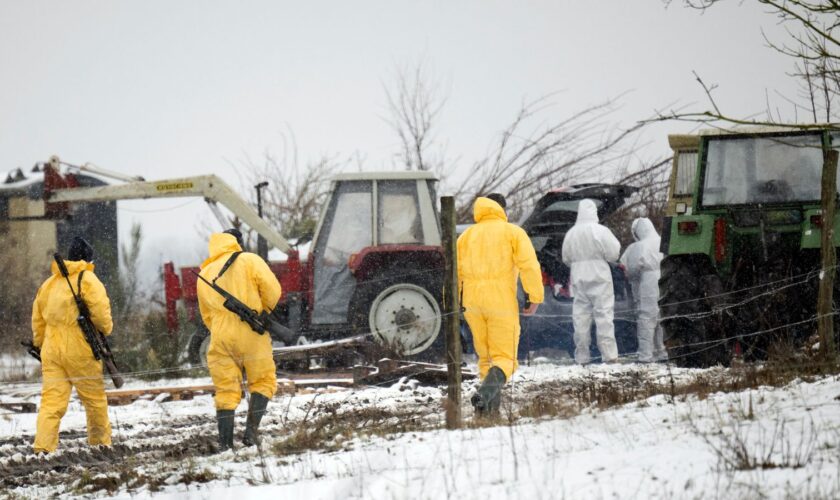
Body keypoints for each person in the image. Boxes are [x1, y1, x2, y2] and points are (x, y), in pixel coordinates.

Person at [457, 193, 543, 416]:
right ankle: (484, 395)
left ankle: (487, 414)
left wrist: (454, 302)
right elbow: (529, 266)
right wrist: (535, 297)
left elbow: (454, 273)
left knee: (486, 358)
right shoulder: (513, 232)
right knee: (506, 359)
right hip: (500, 301)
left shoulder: (465, 236)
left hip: (472, 302)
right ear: (502, 209)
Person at [197, 228, 282, 450]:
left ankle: (225, 444)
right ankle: (250, 435)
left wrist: (220, 328)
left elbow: (206, 314)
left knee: (225, 389)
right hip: (251, 332)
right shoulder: (249, 260)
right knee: (263, 381)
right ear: (238, 242)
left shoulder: (205, 273)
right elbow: (273, 291)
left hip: (220, 337)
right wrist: (263, 312)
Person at [32, 236, 113, 453]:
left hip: (51, 349)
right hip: (80, 348)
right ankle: (99, 445)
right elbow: (102, 317)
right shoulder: (88, 279)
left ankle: (43, 448)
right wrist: (106, 330)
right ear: (87, 258)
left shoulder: (48, 284)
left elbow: (38, 321)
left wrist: (40, 345)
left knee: (51, 403)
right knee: (94, 400)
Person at [561, 199, 621, 364]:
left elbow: (566, 258)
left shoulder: (571, 233)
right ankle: (609, 356)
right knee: (604, 317)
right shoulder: (600, 231)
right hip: (600, 276)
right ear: (594, 212)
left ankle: (582, 357)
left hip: (578, 278)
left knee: (580, 319)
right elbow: (614, 253)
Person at [620, 217, 668, 363]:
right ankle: (661, 351)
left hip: (648, 281)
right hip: (666, 277)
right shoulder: (663, 241)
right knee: (661, 317)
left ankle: (645, 355)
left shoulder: (639, 246)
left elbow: (631, 270)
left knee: (646, 317)